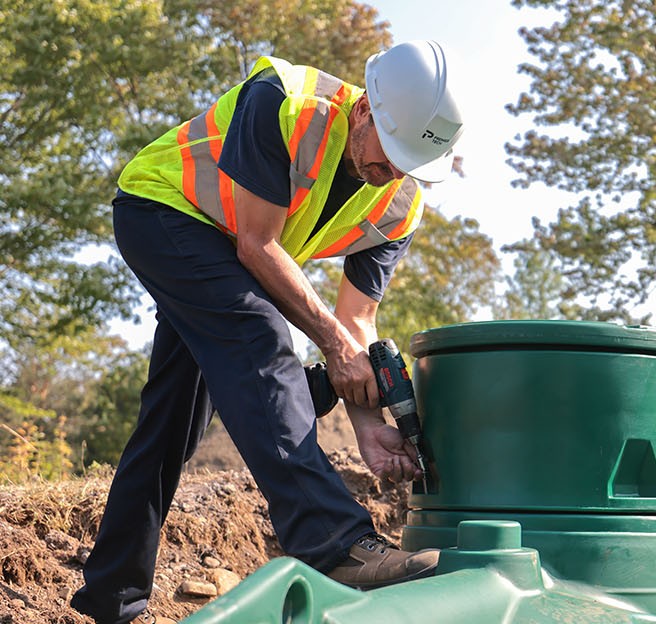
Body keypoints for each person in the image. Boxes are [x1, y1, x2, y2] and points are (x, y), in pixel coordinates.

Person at [70, 40, 465, 624]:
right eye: (391, 153)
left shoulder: (400, 207)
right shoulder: (282, 103)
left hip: (230, 257)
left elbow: (356, 322)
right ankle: (334, 542)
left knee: (173, 424)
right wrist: (331, 346)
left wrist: (368, 425)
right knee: (260, 335)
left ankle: (111, 598)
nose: (394, 174)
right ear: (363, 111)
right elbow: (257, 246)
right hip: (164, 212)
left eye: (410, 165)